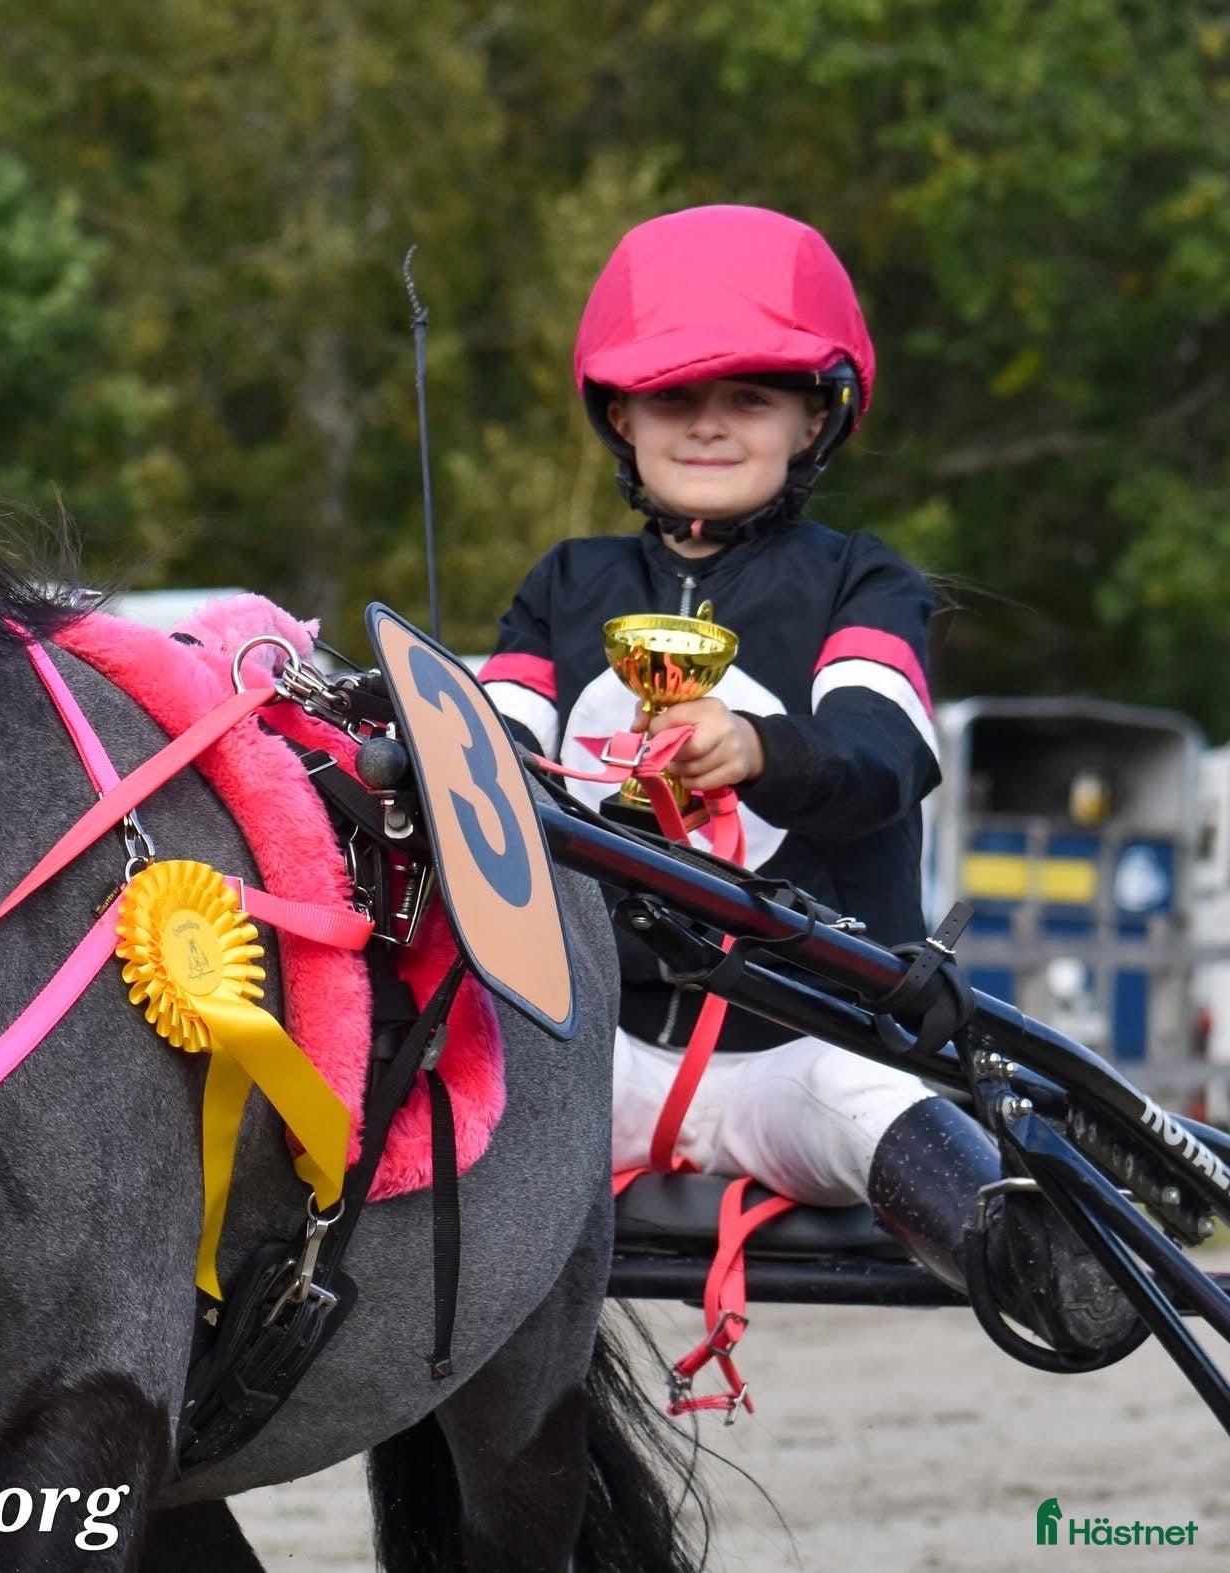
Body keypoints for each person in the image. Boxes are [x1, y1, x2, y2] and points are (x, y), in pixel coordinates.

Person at [483, 203, 1134, 1355]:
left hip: (808, 1051)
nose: (708, 424)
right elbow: (484, 764)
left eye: (747, 396)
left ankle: (1044, 1263)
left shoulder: (862, 582)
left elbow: (880, 760)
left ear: (811, 416)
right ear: (618, 413)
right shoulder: (562, 584)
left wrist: (756, 750)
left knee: (886, 1115)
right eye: (674, 395)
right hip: (597, 1056)